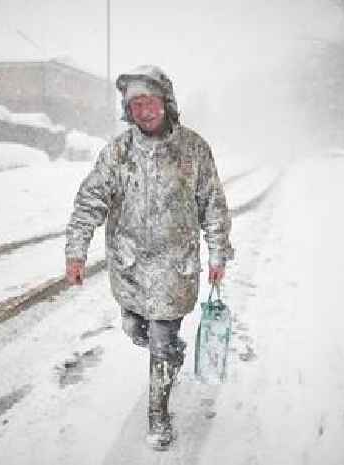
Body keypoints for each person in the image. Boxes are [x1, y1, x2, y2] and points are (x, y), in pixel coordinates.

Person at [65, 65, 233, 450]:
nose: (144, 110)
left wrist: (218, 253)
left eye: (150, 101)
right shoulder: (118, 153)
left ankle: (158, 412)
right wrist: (77, 252)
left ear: (166, 103)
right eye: (136, 104)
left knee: (161, 337)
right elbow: (90, 200)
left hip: (175, 269)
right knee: (135, 328)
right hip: (131, 269)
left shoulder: (193, 149)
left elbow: (213, 205)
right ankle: (168, 351)